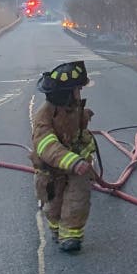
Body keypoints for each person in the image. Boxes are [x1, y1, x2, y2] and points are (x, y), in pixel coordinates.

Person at [31, 61, 98, 254]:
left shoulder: (73, 106)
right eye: (77, 88)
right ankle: (56, 228)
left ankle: (71, 236)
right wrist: (73, 161)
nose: (80, 92)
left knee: (78, 197)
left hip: (77, 167)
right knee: (53, 204)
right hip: (51, 169)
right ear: (65, 93)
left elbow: (76, 129)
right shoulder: (44, 116)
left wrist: (85, 118)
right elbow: (46, 145)